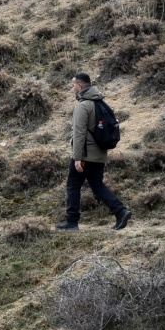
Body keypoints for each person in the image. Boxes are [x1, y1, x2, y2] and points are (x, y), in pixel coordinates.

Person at [57, 72, 131, 231]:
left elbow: (79, 134)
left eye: (73, 85)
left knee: (73, 186)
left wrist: (77, 157)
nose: (73, 89)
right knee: (97, 184)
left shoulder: (83, 106)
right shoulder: (101, 103)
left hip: (84, 155)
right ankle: (121, 211)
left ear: (80, 86)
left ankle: (71, 222)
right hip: (99, 154)